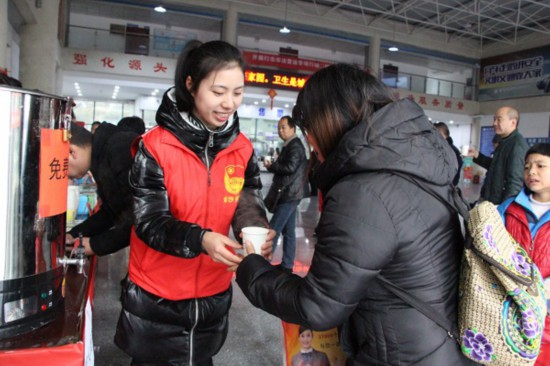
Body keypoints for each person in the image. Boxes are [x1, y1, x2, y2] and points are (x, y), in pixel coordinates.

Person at [236, 64, 474, 365]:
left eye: (310, 129)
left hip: (402, 354)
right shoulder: (414, 162)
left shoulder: (363, 191)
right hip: (443, 343)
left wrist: (250, 268)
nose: (310, 140)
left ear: (327, 121)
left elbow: (317, 306)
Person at [114, 40, 274, 366]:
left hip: (212, 294)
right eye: (218, 92)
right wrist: (200, 239)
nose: (229, 103)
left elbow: (247, 200)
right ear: (190, 85)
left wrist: (254, 229)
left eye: (238, 92)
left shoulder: (241, 148)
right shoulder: (156, 146)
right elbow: (149, 222)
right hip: (158, 298)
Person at [497, 143, 550, 356]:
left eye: (540, 166)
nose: (532, 172)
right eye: (527, 166)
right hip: (509, 307)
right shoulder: (508, 208)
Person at [66, 121, 138, 256]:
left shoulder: (119, 147)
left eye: (64, 168)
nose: (67, 176)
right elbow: (111, 212)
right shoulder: (100, 157)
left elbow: (139, 216)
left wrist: (95, 245)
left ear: (71, 152)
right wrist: (73, 235)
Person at [264, 115, 309, 273]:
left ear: (292, 128)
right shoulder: (289, 145)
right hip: (290, 193)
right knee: (288, 231)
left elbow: (289, 168)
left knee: (273, 229)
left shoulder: (294, 146)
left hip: (289, 194)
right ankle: (288, 265)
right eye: (279, 128)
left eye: (283, 127)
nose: (280, 131)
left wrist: (272, 166)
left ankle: (264, 263)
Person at [468, 106, 528, 204]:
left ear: (513, 122)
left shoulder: (517, 145)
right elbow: (497, 167)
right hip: (491, 201)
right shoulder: (504, 141)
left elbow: (515, 183)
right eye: (494, 119)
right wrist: (477, 155)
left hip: (498, 206)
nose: (494, 123)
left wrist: (504, 210)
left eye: (499, 120)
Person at [435, 121, 463, 186]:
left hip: (447, 186)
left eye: (440, 135)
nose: (437, 137)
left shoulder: (452, 150)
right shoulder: (438, 147)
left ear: (446, 135)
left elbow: (455, 171)